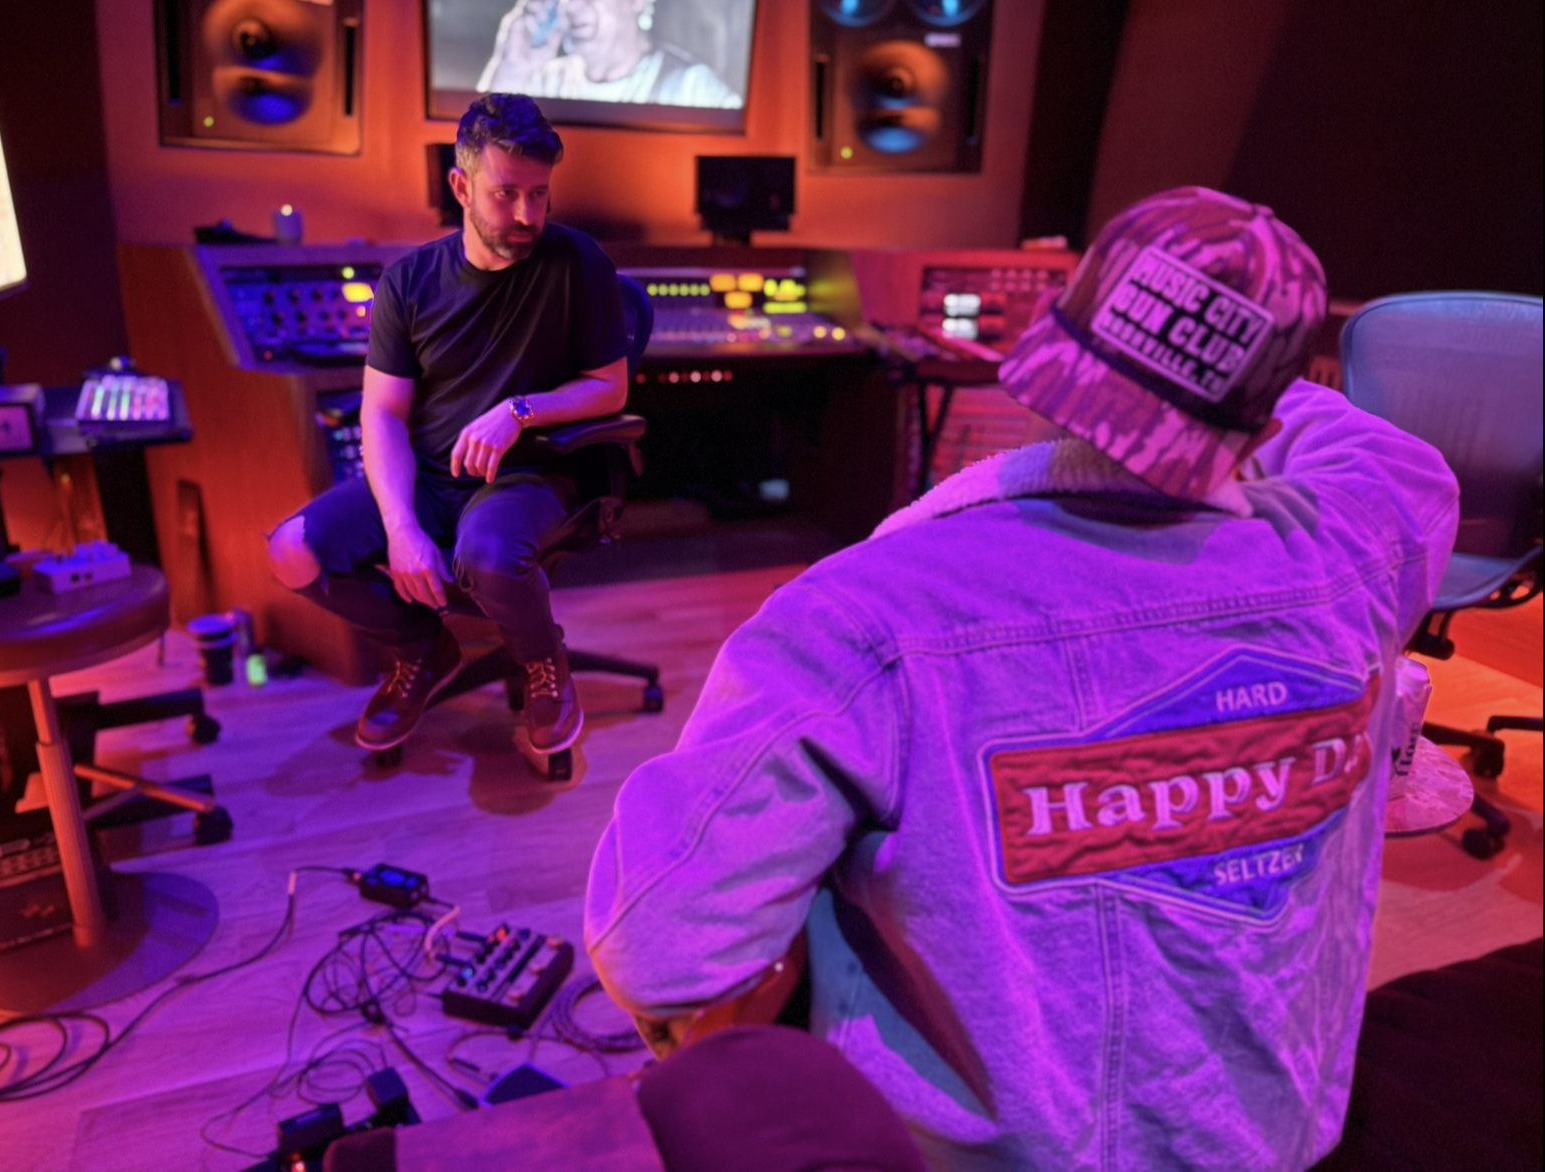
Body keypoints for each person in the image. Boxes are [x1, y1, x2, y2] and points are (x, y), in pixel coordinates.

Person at [582, 188, 1461, 1168]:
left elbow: (659, 947)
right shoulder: (1362, 545)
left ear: (1059, 357)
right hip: (1273, 1144)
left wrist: (1142, 368)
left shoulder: (859, 614)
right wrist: (1222, 381)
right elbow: (1398, 459)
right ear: (1258, 427)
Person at [267, 94, 628, 756]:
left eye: (540, 194)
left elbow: (611, 387)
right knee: (293, 551)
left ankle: (544, 659)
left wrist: (519, 411)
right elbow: (382, 413)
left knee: (486, 557)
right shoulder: (408, 282)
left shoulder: (580, 263)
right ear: (461, 187)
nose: (527, 215)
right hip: (431, 475)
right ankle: (420, 649)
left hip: (529, 475)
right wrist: (401, 527)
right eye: (506, 194)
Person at [476, 0, 742, 109]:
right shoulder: (540, 81)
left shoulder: (692, 87)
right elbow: (476, 150)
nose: (573, 6)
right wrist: (511, 69)